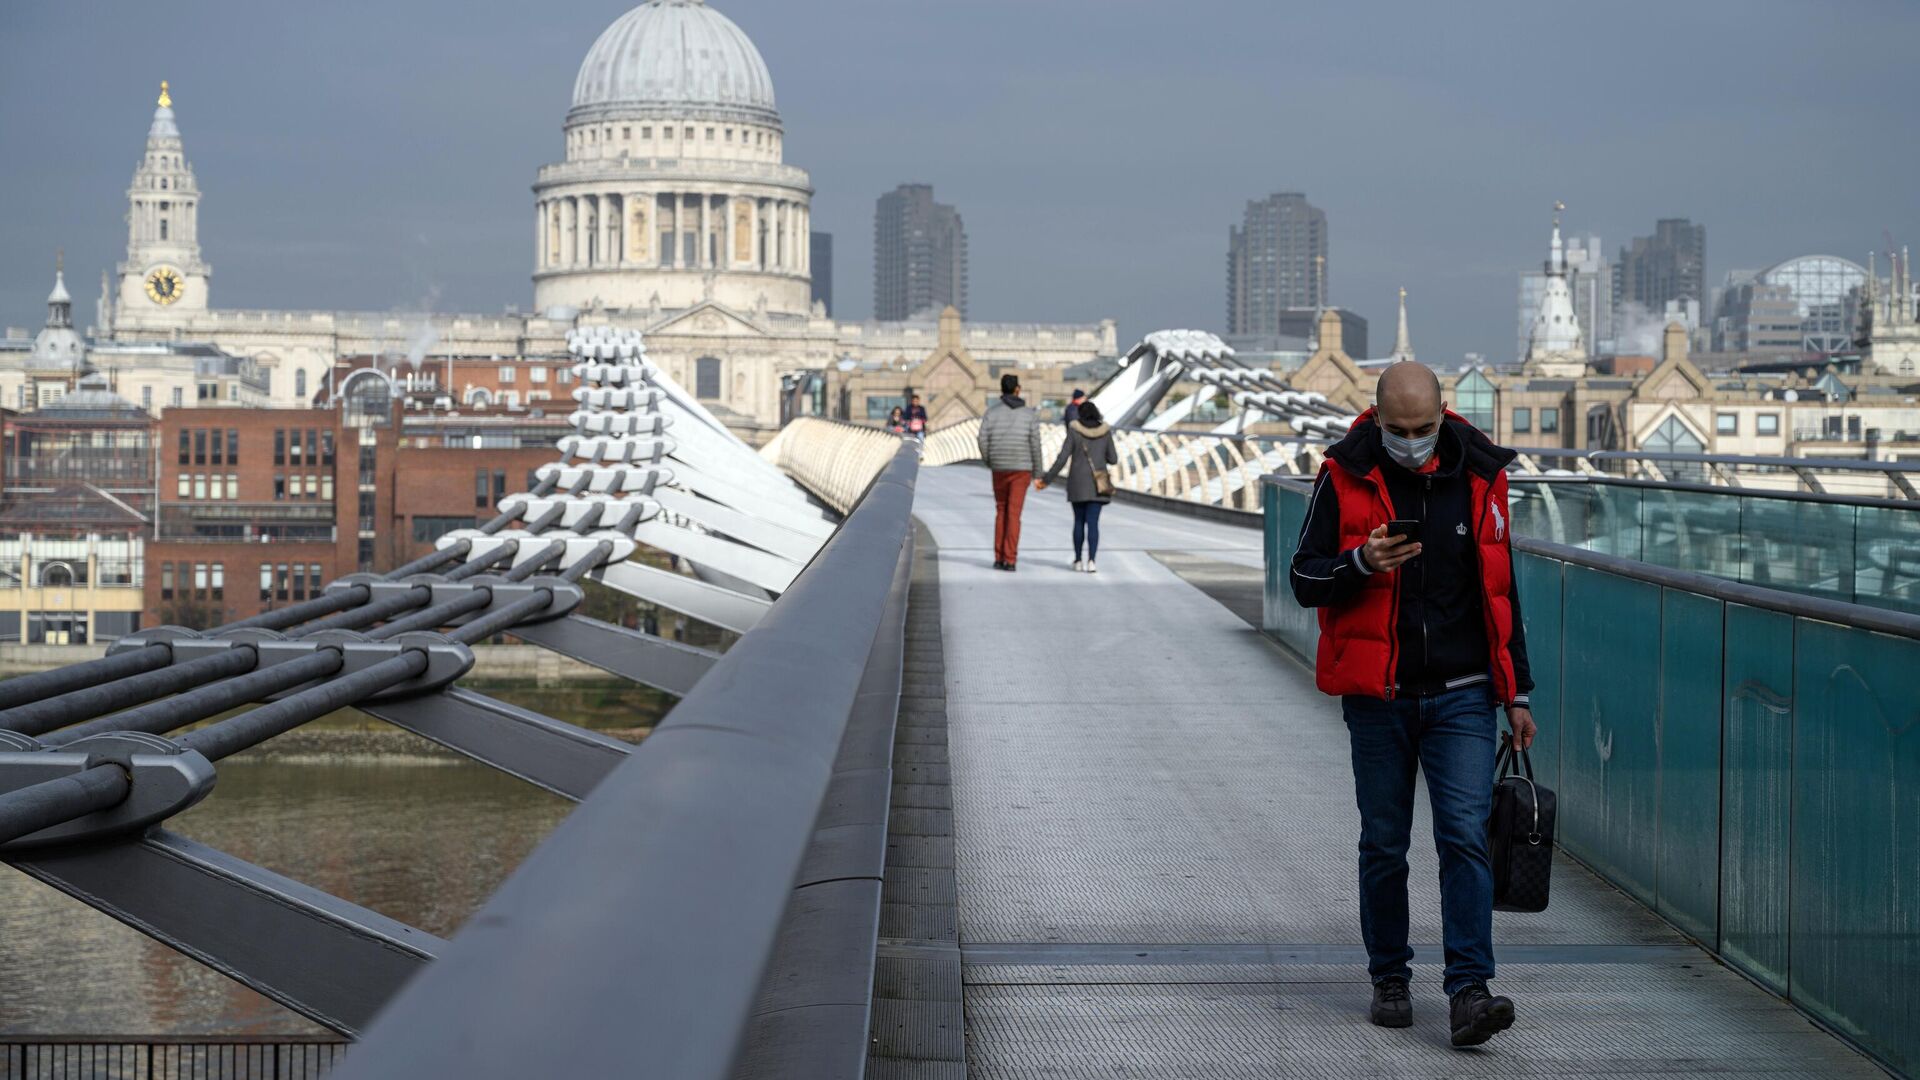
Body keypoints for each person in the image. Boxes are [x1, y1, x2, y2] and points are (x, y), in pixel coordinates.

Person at [1288, 361, 1537, 1049]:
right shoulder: (1342, 475)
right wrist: (1361, 564)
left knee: (1463, 835)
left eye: (1422, 428)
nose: (1410, 441)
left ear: (1442, 414)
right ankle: (1389, 977)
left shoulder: (1482, 474)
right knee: (1385, 844)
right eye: (1396, 430)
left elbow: (1502, 589)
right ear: (1375, 416)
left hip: (1463, 694)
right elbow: (1304, 577)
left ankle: (1469, 990)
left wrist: (1516, 691)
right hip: (1380, 697)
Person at [1037, 399, 1116, 572]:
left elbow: (1062, 458)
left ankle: (1078, 560)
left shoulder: (1074, 430)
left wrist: (1046, 479)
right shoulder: (1105, 432)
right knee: (1093, 523)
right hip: (1098, 484)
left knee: (1079, 522)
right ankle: (1092, 561)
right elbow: (1113, 459)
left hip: (1078, 483)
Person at [976, 373, 1044, 571]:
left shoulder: (992, 413)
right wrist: (1038, 473)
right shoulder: (1029, 414)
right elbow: (1035, 445)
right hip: (1022, 469)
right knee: (1014, 514)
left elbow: (982, 439)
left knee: (1001, 511)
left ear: (1001, 389)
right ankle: (1010, 559)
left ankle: (998, 557)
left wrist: (990, 459)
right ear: (1018, 389)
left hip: (999, 467)